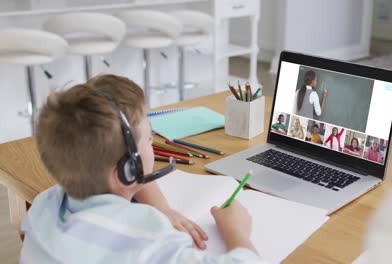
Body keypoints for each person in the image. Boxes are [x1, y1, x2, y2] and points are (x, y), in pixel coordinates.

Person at [20, 75, 260, 263]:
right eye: (148, 138)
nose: (153, 140)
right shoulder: (148, 237)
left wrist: (162, 206)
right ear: (126, 170)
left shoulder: (45, 206)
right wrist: (236, 231)